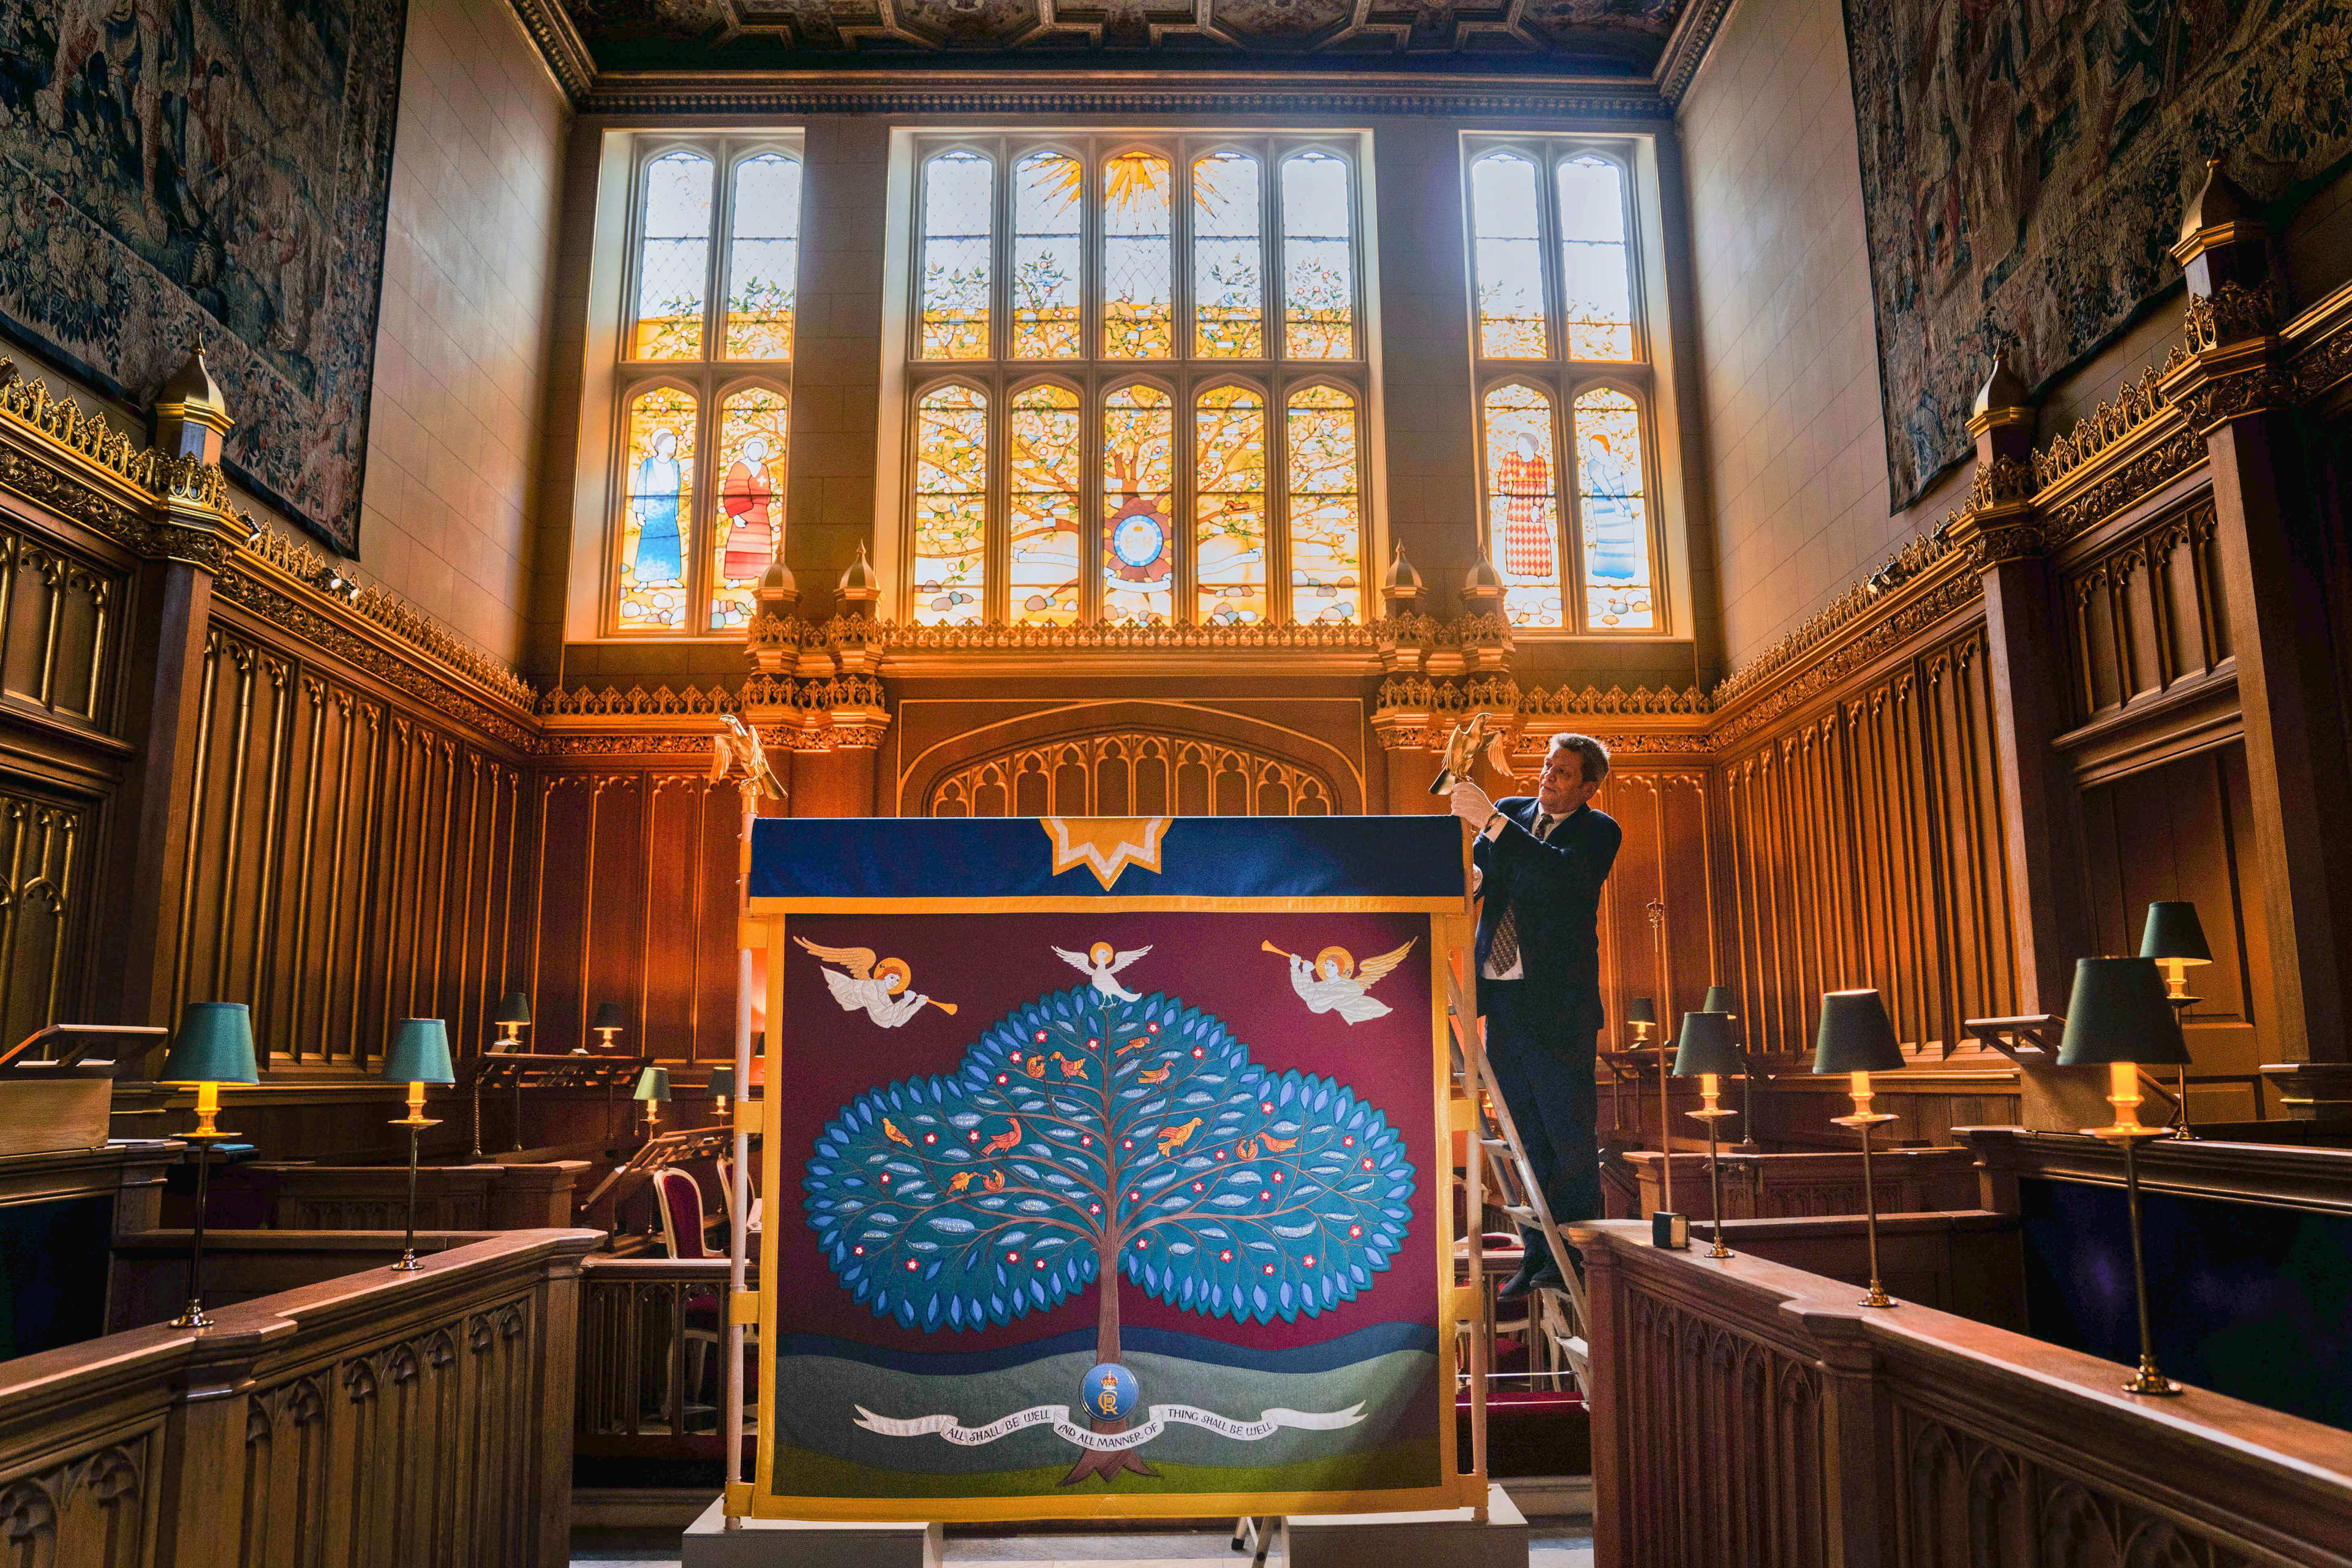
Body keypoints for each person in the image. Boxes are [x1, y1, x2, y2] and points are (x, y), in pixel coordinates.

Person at [1450, 731, 1622, 1300]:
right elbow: (1481, 876)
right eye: (1547, 766)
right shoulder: (1510, 812)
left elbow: (1560, 881)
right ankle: (1536, 1251)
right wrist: (1465, 875)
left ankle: (1570, 1250)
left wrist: (1494, 828)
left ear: (1588, 786)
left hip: (1559, 1009)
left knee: (1566, 1135)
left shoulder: (1600, 832)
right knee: (1523, 1134)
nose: (1548, 777)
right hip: (1503, 998)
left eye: (1564, 773)